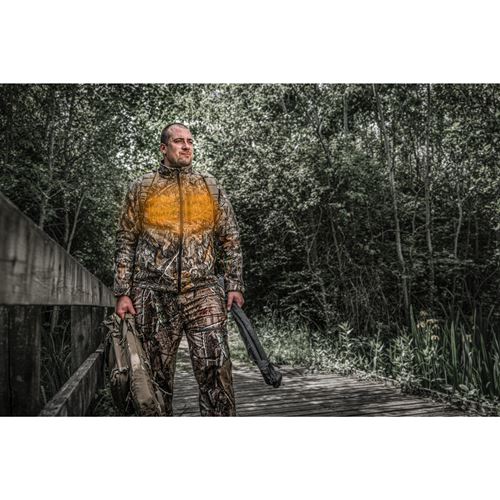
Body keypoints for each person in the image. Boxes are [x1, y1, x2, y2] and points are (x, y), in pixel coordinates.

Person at [113, 123, 244, 416]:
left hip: (203, 292)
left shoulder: (209, 186)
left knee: (216, 372)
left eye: (190, 142)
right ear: (164, 148)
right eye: (178, 141)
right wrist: (122, 291)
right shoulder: (142, 187)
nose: (186, 146)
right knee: (155, 378)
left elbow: (230, 237)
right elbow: (126, 240)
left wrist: (234, 284)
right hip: (153, 295)